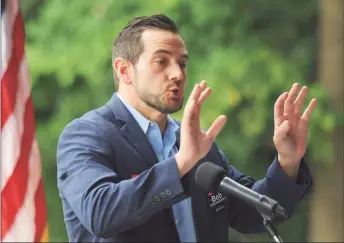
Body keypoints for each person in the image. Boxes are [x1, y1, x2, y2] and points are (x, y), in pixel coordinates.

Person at [56, 14, 316, 242]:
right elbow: (101, 213)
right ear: (124, 70)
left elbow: (253, 214)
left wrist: (287, 162)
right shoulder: (85, 134)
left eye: (182, 63)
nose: (178, 74)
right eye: (162, 61)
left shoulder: (194, 143)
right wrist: (181, 163)